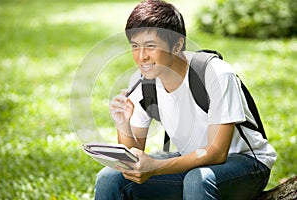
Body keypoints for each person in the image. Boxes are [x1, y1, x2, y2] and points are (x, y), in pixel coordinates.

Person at [94, 0, 277, 199]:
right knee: (110, 178)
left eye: (150, 46)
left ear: (177, 45)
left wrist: (156, 167)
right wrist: (123, 124)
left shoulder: (215, 74)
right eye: (135, 46)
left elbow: (216, 153)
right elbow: (134, 157)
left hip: (247, 164)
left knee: (198, 179)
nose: (141, 56)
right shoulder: (142, 83)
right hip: (194, 165)